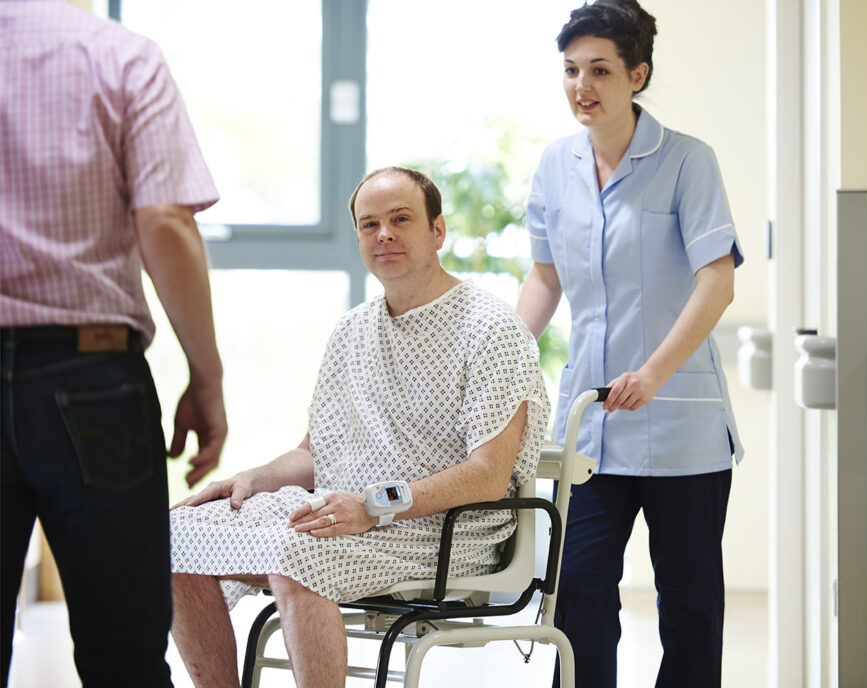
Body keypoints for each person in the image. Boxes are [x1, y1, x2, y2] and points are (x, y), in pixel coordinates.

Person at [169, 167, 550, 688]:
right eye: (369, 225)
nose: (384, 234)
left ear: (437, 231)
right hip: (344, 510)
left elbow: (486, 476)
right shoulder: (352, 329)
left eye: (400, 220)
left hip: (444, 531)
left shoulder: (492, 329)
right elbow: (316, 453)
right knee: (175, 534)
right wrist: (253, 478)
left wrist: (375, 506)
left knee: (298, 552)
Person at [515, 1, 745, 686]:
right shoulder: (555, 166)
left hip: (681, 427)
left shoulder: (686, 162)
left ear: (637, 74)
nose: (582, 86)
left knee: (689, 605)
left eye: (601, 71)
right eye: (571, 70)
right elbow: (544, 280)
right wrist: (495, 355)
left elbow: (717, 281)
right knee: (579, 593)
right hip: (590, 429)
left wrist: (652, 372)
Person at [0, 1, 227, 686]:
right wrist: (206, 377)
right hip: (92, 377)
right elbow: (165, 223)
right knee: (122, 654)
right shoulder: (119, 57)